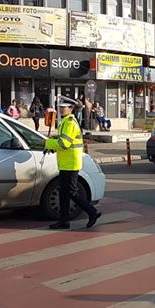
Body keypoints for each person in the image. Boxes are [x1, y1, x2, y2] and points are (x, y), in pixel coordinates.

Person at [46, 97, 101, 230]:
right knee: (64, 193)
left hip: (71, 163)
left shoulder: (69, 122)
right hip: (66, 162)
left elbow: (64, 143)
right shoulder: (65, 122)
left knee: (71, 191)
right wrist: (52, 145)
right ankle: (63, 221)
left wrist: (47, 143)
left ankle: (91, 211)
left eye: (63, 107)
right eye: (60, 107)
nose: (61, 109)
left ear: (71, 109)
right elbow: (61, 140)